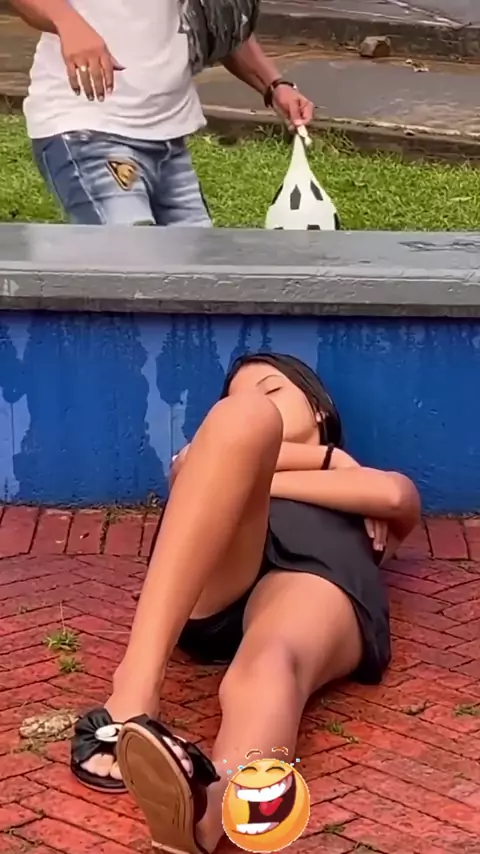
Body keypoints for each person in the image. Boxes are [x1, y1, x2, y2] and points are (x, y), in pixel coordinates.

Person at [70, 352, 420, 853]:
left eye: (272, 390)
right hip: (219, 579)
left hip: (312, 576)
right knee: (245, 419)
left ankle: (213, 811)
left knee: (271, 662)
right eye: (237, 390)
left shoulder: (368, 478)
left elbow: (394, 497)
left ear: (319, 409)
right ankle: (135, 689)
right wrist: (321, 463)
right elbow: (188, 465)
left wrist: (290, 468)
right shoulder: (245, 437)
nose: (258, 400)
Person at [11, 0, 314, 226]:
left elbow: (219, 21)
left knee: (196, 277)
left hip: (169, 141)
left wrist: (274, 85)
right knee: (132, 266)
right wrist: (68, 23)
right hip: (88, 127)